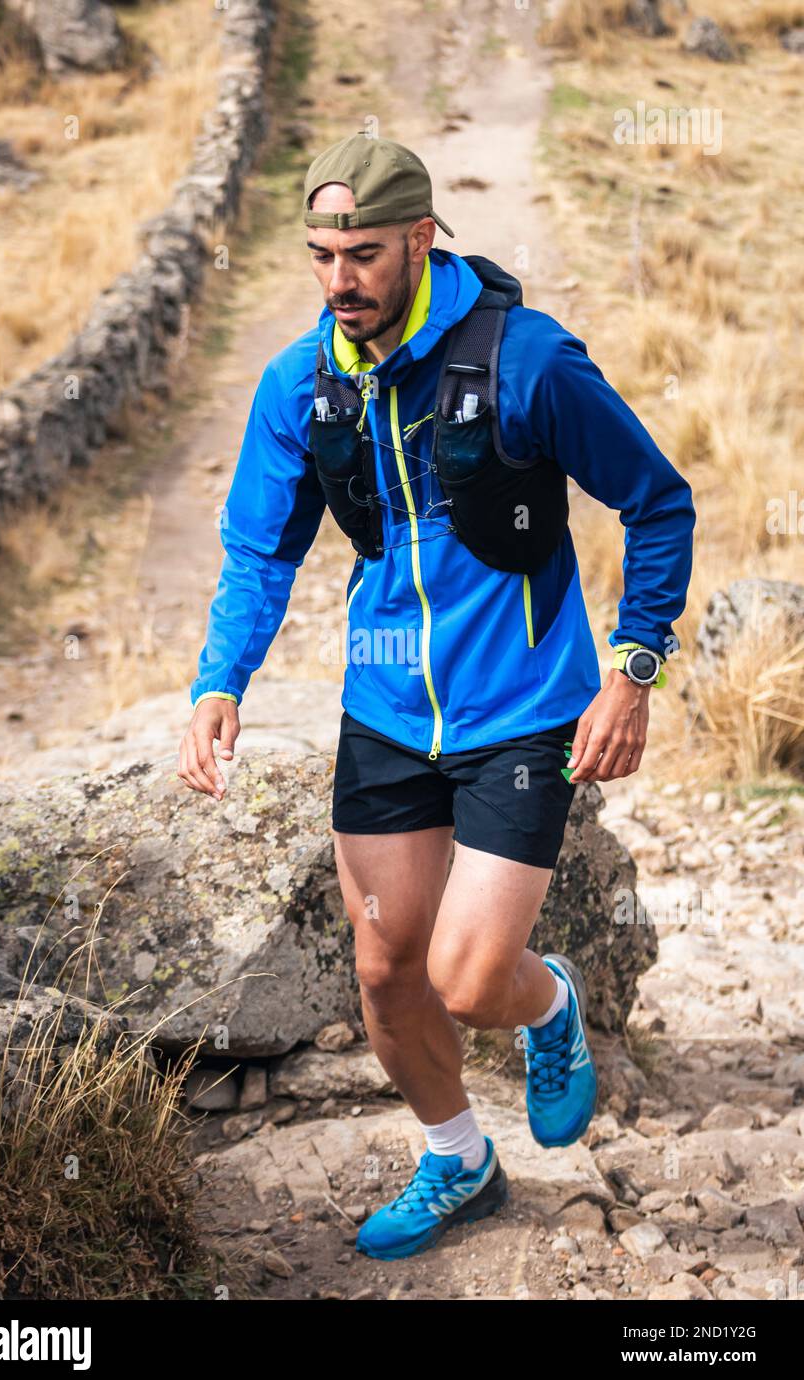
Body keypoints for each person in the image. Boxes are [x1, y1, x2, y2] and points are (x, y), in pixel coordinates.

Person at [178, 133, 695, 1261]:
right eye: (319, 255)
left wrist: (633, 667)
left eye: (360, 252)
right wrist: (221, 680)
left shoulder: (529, 363)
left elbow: (657, 503)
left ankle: (550, 1001)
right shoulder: (298, 384)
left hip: (520, 708)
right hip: (385, 714)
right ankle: (458, 1159)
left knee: (467, 976)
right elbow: (257, 551)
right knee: (382, 967)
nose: (337, 280)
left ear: (420, 237)